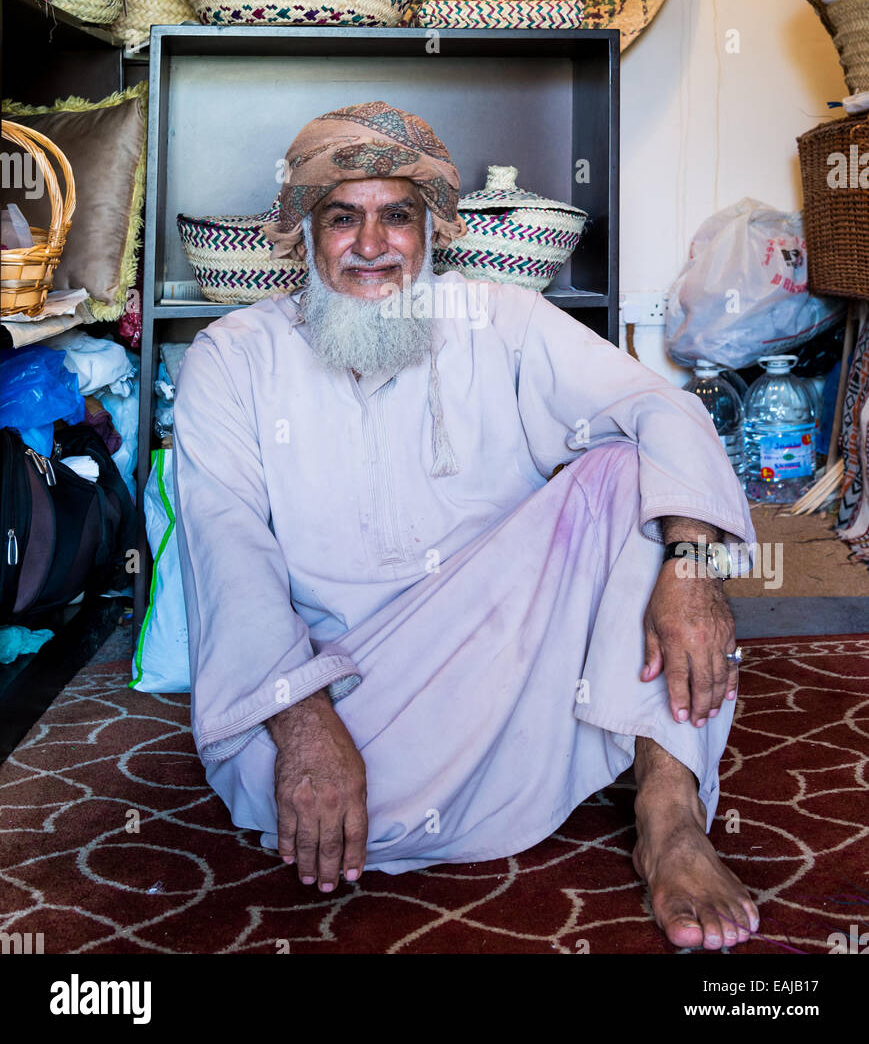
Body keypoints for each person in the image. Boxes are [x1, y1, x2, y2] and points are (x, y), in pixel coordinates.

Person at [172, 100, 760, 951]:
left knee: (629, 472)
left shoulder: (496, 318)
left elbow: (658, 407)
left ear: (429, 228)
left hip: (502, 667)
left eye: (396, 216)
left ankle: (669, 814)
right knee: (284, 776)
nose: (372, 245)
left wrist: (691, 566)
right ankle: (404, 783)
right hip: (328, 699)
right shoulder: (233, 358)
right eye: (343, 217)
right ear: (302, 229)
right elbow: (227, 552)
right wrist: (300, 721)